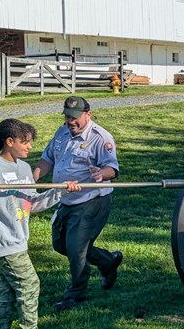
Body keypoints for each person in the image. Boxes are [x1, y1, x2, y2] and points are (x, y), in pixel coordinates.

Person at [0, 119, 80, 329]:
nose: (29, 147)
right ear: (10, 142)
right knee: (30, 284)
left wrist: (60, 190)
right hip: (2, 241)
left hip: (19, 238)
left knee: (7, 291)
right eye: (24, 142)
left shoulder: (24, 169)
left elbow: (33, 203)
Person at [33, 96, 122, 312]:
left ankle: (75, 294)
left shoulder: (100, 137)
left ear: (88, 115)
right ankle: (108, 261)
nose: (70, 121)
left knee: (75, 247)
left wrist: (102, 173)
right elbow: (48, 159)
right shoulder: (61, 132)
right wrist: (32, 177)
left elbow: (113, 168)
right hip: (65, 198)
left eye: (74, 117)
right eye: (66, 116)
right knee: (60, 244)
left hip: (92, 200)